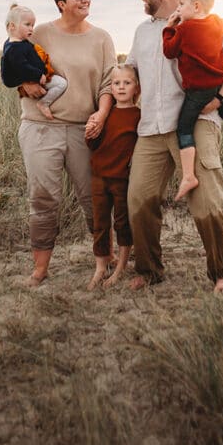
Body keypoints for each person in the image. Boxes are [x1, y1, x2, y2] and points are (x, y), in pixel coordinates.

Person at [126, 0, 223, 293]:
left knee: (208, 202)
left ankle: (221, 274)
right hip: (151, 128)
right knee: (139, 198)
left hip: (194, 123)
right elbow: (131, 70)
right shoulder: (142, 31)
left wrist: (220, 98)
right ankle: (149, 270)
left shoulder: (203, 22)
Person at [17, 0, 116, 287]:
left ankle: (107, 260)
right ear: (61, 4)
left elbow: (109, 82)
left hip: (83, 130)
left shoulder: (101, 38)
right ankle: (40, 270)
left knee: (94, 198)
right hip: (40, 128)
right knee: (44, 199)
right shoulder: (41, 33)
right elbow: (12, 62)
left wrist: (101, 113)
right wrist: (25, 83)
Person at [163, 0, 223, 200]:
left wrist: (169, 27)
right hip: (216, 85)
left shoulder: (183, 30)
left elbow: (169, 51)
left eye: (181, 5)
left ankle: (188, 176)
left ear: (195, 6)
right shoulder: (215, 22)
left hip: (197, 90)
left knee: (184, 129)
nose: (178, 10)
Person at [85, 64, 140, 290]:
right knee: (100, 223)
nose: (121, 87)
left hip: (122, 179)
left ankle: (121, 267)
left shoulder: (138, 116)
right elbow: (94, 143)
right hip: (99, 176)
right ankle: (100, 267)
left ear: (136, 87)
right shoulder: (105, 113)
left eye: (127, 83)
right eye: (116, 83)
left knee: (122, 222)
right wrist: (89, 132)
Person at [1, 3, 68, 120]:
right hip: (36, 78)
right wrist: (38, 76)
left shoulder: (19, 42)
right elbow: (22, 67)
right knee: (61, 84)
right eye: (27, 25)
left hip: (38, 76)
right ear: (12, 26)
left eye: (32, 25)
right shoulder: (14, 49)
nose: (31, 28)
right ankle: (44, 103)